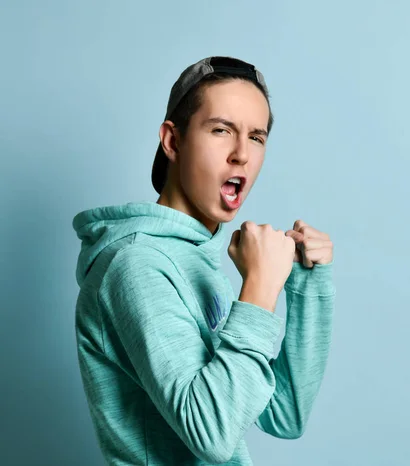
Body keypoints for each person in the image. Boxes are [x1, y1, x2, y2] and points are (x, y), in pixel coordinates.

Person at [72, 56, 335, 465]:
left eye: (256, 138)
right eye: (220, 130)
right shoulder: (137, 264)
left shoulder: (194, 256)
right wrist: (260, 289)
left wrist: (306, 286)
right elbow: (211, 433)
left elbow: (285, 413)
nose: (241, 155)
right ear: (173, 142)